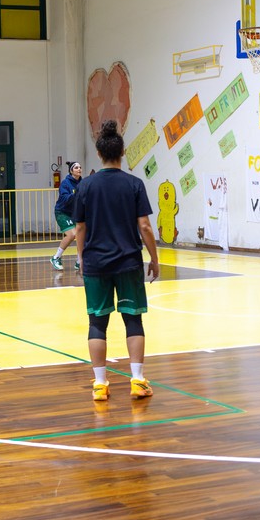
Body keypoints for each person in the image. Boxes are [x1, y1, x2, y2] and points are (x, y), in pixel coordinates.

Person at [72, 120, 160, 402]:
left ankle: (100, 384)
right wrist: (154, 258)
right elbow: (145, 226)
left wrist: (81, 257)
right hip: (129, 262)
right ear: (122, 153)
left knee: (97, 322)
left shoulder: (85, 186)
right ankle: (137, 380)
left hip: (96, 262)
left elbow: (80, 228)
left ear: (99, 154)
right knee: (133, 319)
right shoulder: (134, 184)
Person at [50, 161, 83, 271]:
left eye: (80, 167)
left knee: (81, 236)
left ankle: (79, 261)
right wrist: (75, 195)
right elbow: (64, 199)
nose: (79, 169)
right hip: (62, 212)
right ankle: (56, 257)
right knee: (72, 235)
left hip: (75, 213)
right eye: (76, 167)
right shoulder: (65, 183)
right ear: (71, 171)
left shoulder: (83, 183)